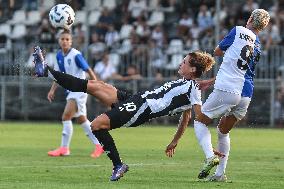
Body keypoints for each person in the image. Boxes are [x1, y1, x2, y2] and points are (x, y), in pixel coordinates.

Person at [33, 49, 216, 181]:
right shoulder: (187, 83)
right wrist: (175, 140)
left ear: (192, 69)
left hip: (141, 109)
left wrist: (206, 142)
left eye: (184, 62)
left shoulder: (193, 89)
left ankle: (118, 165)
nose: (180, 63)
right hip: (136, 99)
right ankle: (46, 71)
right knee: (95, 85)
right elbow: (185, 117)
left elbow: (196, 115)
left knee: (96, 125)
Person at [189, 9, 270, 181]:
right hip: (246, 94)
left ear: (249, 19)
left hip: (228, 89)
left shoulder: (238, 31)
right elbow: (239, 69)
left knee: (199, 121)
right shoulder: (258, 44)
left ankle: (210, 157)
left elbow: (217, 51)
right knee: (222, 132)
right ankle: (219, 175)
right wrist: (211, 81)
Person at [41, 30, 104, 158]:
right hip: (71, 91)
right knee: (82, 120)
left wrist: (96, 88)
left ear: (71, 41)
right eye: (62, 39)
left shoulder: (76, 55)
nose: (64, 41)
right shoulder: (59, 55)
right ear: (59, 41)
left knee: (66, 116)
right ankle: (99, 145)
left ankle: (64, 149)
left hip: (79, 89)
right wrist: (52, 90)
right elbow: (58, 76)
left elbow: (89, 70)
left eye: (67, 39)